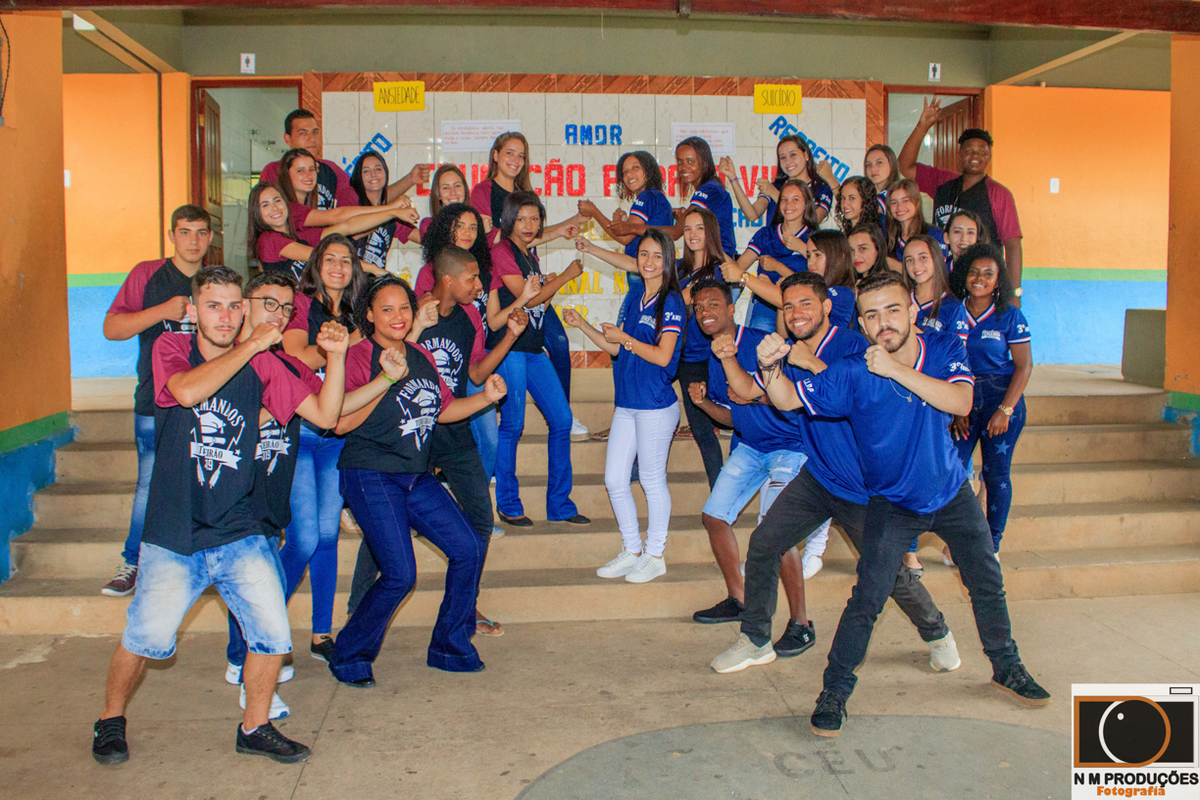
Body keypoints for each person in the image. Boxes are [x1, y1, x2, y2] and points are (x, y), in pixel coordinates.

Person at [764, 271, 1048, 737]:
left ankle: (1006, 666)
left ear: (913, 311)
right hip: (892, 502)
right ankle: (834, 692)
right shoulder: (853, 372)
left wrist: (895, 370)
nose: (884, 323)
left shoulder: (943, 348)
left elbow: (961, 401)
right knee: (867, 598)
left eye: (893, 310)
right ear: (861, 323)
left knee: (986, 582)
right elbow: (787, 400)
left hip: (950, 492)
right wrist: (770, 366)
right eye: (872, 315)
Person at [91, 266, 342, 767]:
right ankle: (110, 719)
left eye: (233, 306)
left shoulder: (262, 363)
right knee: (145, 639)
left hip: (237, 528)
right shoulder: (172, 349)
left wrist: (335, 358)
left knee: (272, 634)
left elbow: (325, 415)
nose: (225, 317)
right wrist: (250, 347)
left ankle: (255, 726)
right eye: (213, 306)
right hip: (174, 532)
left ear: (243, 309)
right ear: (193, 310)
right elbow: (186, 393)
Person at [707, 270, 957, 677]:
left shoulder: (857, 345)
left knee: (888, 575)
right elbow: (752, 391)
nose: (796, 313)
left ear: (827, 307)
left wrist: (810, 363)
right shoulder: (789, 348)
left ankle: (937, 632)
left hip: (863, 488)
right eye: (788, 306)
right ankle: (755, 639)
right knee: (765, 542)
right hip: (819, 476)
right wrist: (739, 360)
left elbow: (868, 397)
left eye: (806, 303)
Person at [329, 276, 506, 686]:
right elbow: (338, 422)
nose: (398, 316)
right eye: (386, 309)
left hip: (414, 475)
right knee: (400, 574)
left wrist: (485, 399)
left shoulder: (421, 354)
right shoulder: (359, 356)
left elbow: (443, 410)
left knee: (467, 547)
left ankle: (449, 645)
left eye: (404, 308)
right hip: (370, 474)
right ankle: (349, 655)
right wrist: (387, 379)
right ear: (369, 315)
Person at [348, 246, 529, 635]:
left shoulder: (469, 317)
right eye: (471, 278)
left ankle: (465, 608)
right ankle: (359, 610)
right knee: (386, 529)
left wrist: (511, 337)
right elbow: (391, 358)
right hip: (412, 435)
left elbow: (475, 374)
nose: (478, 286)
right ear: (447, 279)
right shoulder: (409, 312)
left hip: (454, 426)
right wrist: (416, 324)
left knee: (479, 520)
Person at [224, 271, 367, 721]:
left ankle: (249, 661)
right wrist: (267, 412)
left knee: (267, 568)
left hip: (266, 500)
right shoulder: (221, 358)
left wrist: (353, 364)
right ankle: (246, 664)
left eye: (286, 308)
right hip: (225, 501)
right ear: (244, 305)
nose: (280, 315)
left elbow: (327, 411)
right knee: (247, 580)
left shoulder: (284, 365)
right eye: (269, 303)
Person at [686, 275, 827, 652]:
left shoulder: (765, 343)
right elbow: (734, 415)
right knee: (714, 516)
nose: (705, 312)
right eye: (698, 308)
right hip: (749, 447)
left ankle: (801, 623)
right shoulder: (714, 355)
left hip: (790, 447)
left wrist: (756, 397)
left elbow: (793, 401)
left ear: (732, 308)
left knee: (775, 530)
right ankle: (740, 598)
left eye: (713, 304)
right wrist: (703, 404)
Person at [99, 205, 212, 597]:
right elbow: (112, 328)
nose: (193, 240)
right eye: (185, 232)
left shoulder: (216, 280)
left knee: (208, 482)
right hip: (155, 401)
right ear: (171, 235)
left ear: (210, 237)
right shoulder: (147, 274)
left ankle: (205, 562)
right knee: (150, 485)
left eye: (201, 232)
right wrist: (162, 312)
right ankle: (133, 561)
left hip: (208, 403)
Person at [577, 207, 728, 485]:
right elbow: (634, 264)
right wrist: (592, 249)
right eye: (688, 228)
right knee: (636, 387)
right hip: (669, 354)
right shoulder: (680, 267)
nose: (693, 234)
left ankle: (719, 491)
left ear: (712, 233)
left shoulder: (715, 272)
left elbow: (678, 298)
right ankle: (633, 460)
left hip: (695, 358)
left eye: (699, 228)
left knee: (700, 427)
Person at [565, 229, 683, 584]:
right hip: (628, 403)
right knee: (615, 479)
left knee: (651, 480)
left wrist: (626, 338)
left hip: (655, 405)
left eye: (657, 256)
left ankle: (655, 555)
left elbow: (663, 356)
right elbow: (616, 348)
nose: (649, 262)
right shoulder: (635, 296)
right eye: (643, 254)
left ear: (667, 261)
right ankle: (632, 549)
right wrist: (583, 325)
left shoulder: (671, 301)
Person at [278, 234, 369, 662]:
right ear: (316, 265)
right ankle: (263, 628)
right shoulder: (300, 304)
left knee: (328, 536)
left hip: (337, 437)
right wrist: (339, 344)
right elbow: (296, 357)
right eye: (329, 259)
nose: (338, 267)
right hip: (300, 430)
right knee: (303, 538)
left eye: (346, 260)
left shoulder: (354, 313)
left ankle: (321, 635)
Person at [469, 131, 588, 438]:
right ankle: (493, 411)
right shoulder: (483, 191)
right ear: (496, 155)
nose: (516, 160)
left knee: (558, 342)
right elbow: (493, 240)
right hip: (503, 285)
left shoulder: (525, 193)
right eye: (509, 153)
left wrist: (562, 228)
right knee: (498, 348)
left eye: (521, 155)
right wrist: (563, 276)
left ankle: (561, 412)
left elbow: (528, 237)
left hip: (528, 281)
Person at [490, 191, 590, 527]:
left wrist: (552, 284)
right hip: (511, 348)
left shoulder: (528, 255)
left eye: (534, 218)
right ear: (509, 221)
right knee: (512, 424)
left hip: (533, 348)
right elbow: (528, 299)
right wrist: (564, 277)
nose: (529, 225)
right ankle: (508, 504)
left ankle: (559, 505)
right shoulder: (502, 252)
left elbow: (539, 306)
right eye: (521, 219)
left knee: (562, 419)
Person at [949, 243, 1032, 556]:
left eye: (988, 273)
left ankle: (991, 546)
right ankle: (963, 541)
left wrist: (1005, 410)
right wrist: (957, 408)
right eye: (973, 272)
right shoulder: (952, 312)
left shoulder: (1010, 316)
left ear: (999, 280)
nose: (979, 278)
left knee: (996, 476)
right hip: (963, 397)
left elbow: (1024, 366)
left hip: (1001, 398)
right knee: (954, 472)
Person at [899, 101, 1023, 294]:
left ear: (989, 157)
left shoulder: (999, 193)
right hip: (943, 280)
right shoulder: (942, 181)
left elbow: (1013, 245)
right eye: (969, 151)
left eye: (982, 152)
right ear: (959, 154)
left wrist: (1014, 292)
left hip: (980, 285)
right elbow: (905, 166)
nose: (975, 155)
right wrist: (923, 125)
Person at [259, 108, 427, 210]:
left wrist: (410, 180)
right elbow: (266, 216)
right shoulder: (273, 170)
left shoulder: (330, 169)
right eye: (303, 133)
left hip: (325, 252)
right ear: (287, 139)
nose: (311, 138)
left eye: (315, 132)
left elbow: (366, 203)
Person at [248, 182, 415, 280]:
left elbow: (348, 226)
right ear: (257, 212)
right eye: (265, 205)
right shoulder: (267, 239)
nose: (274, 208)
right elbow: (323, 256)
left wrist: (392, 212)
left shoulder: (301, 236)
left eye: (277, 200)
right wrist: (372, 268)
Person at [578, 149, 674, 319]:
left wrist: (594, 212)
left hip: (643, 279)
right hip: (648, 278)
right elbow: (629, 233)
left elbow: (624, 237)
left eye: (635, 168)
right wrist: (622, 222)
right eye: (625, 172)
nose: (629, 174)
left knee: (624, 330)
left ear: (648, 170)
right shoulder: (656, 197)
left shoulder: (646, 197)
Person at [725, 179, 819, 334]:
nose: (788, 205)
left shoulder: (815, 238)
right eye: (784, 200)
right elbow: (738, 268)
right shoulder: (765, 234)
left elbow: (817, 280)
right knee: (760, 346)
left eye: (795, 200)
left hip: (800, 308)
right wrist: (716, 248)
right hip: (765, 305)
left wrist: (799, 250)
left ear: (806, 204)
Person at [720, 135, 834, 226]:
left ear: (806, 155)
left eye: (793, 155)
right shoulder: (776, 186)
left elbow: (814, 220)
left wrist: (775, 194)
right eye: (783, 157)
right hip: (772, 247)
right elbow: (752, 214)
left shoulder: (822, 188)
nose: (788, 162)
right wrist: (732, 178)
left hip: (802, 248)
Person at [347, 149, 421, 275]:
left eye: (378, 169)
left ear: (386, 173)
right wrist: (392, 210)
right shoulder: (351, 206)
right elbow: (355, 232)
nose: (373, 174)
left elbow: (423, 237)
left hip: (375, 282)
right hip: (350, 281)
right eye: (366, 171)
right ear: (359, 177)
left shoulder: (392, 216)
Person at [676, 136, 738, 258]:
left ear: (704, 164)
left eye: (691, 162)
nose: (683, 167)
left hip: (719, 263)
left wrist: (635, 228)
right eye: (679, 162)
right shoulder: (711, 187)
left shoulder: (709, 188)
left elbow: (675, 232)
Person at [805, 230, 858, 333]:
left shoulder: (843, 293)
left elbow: (801, 307)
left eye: (817, 255)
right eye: (809, 256)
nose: (810, 263)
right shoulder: (816, 287)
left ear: (839, 256)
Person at [886, 178, 949, 263]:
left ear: (916, 202)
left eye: (905, 201)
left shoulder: (934, 234)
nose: (899, 207)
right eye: (894, 202)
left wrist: (892, 264)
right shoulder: (889, 237)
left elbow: (939, 269)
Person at [944, 208, 991, 274]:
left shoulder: (987, 272)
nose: (964, 238)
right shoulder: (940, 271)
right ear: (947, 237)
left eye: (970, 232)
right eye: (957, 232)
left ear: (978, 238)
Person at [863, 144, 901, 214]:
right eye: (869, 165)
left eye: (879, 162)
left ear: (891, 164)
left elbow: (864, 210)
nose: (872, 169)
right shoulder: (869, 194)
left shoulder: (894, 193)